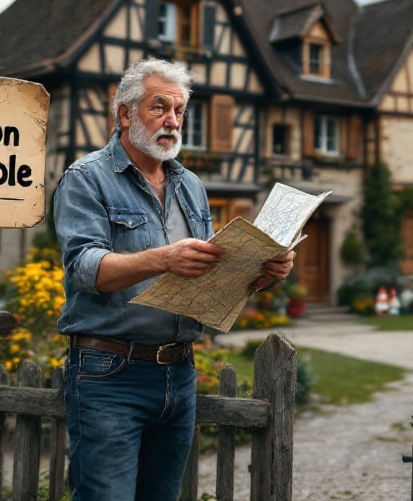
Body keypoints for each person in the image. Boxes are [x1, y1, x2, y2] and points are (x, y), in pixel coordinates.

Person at [53, 59, 294, 500]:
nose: (172, 120)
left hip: (178, 373)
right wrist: (163, 258)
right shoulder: (86, 179)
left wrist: (260, 275)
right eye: (159, 107)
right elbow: (83, 269)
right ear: (124, 114)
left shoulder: (191, 186)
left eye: (179, 111)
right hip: (109, 374)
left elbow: (205, 275)